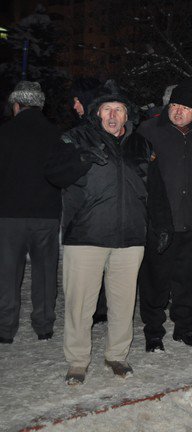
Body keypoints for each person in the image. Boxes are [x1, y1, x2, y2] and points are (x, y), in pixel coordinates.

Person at [45, 84, 172, 385]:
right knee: (80, 304)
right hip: (86, 236)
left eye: (119, 110)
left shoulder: (141, 145)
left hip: (129, 239)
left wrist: (162, 224)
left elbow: (155, 191)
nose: (113, 115)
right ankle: (77, 361)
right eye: (107, 110)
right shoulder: (77, 138)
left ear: (127, 115)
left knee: (123, 302)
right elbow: (53, 174)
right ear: (97, 113)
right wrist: (82, 158)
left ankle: (117, 355)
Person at [137, 78, 192, 352]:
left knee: (188, 278)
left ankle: (185, 328)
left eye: (185, 107)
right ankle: (153, 331)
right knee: (155, 279)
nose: (178, 111)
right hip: (161, 222)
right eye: (174, 104)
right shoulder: (150, 131)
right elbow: (137, 175)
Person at [0, 81, 61, 344]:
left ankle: (5, 328)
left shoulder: (4, 132)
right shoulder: (55, 134)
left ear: (16, 105)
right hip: (45, 215)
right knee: (45, 273)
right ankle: (44, 325)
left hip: (9, 216)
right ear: (40, 105)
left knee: (7, 274)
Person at [70, 76, 109, 325]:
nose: (74, 106)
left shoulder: (93, 130)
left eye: (76, 101)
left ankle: (99, 307)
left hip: (99, 205)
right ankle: (97, 306)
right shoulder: (81, 130)